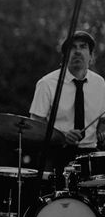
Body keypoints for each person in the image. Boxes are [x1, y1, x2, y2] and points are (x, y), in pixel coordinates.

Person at [29, 30, 105, 177]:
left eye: (83, 47)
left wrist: (102, 128)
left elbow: (103, 120)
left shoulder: (101, 84)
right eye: (72, 47)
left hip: (91, 157)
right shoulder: (47, 84)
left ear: (91, 56)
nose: (77, 51)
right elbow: (34, 128)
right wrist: (61, 136)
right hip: (55, 154)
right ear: (64, 56)